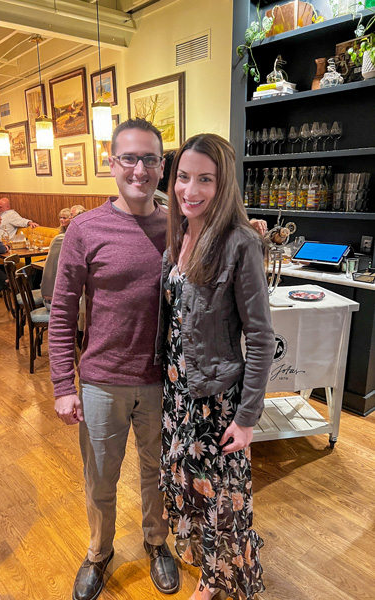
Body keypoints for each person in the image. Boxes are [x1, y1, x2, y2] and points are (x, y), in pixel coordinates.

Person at [49, 118, 179, 600]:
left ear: (161, 165)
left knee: (156, 472)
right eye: (130, 158)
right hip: (102, 380)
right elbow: (61, 313)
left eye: (149, 159)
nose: (139, 169)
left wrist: (250, 227)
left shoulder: (177, 224)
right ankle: (99, 552)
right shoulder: (85, 229)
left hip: (161, 381)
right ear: (112, 163)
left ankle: (157, 542)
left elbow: (222, 240)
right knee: (100, 477)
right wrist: (64, 384)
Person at [156, 134, 275, 600]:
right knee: (192, 493)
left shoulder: (240, 242)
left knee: (223, 500)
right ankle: (210, 568)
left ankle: (219, 581)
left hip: (217, 400)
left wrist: (246, 419)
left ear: (223, 184)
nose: (191, 189)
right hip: (177, 395)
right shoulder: (180, 235)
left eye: (205, 179)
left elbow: (262, 336)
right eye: (184, 177)